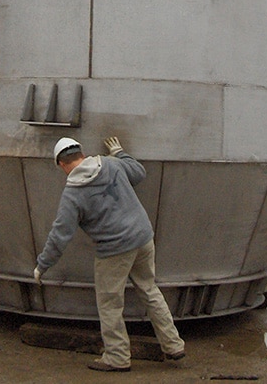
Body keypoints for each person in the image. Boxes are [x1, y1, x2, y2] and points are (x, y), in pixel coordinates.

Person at [34, 136, 185, 372]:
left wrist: (42, 265)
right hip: (143, 237)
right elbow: (139, 173)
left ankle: (117, 357)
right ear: (81, 154)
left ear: (61, 164)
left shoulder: (73, 194)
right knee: (149, 289)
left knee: (110, 303)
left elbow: (60, 235)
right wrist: (119, 152)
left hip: (114, 249)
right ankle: (174, 345)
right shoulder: (111, 164)